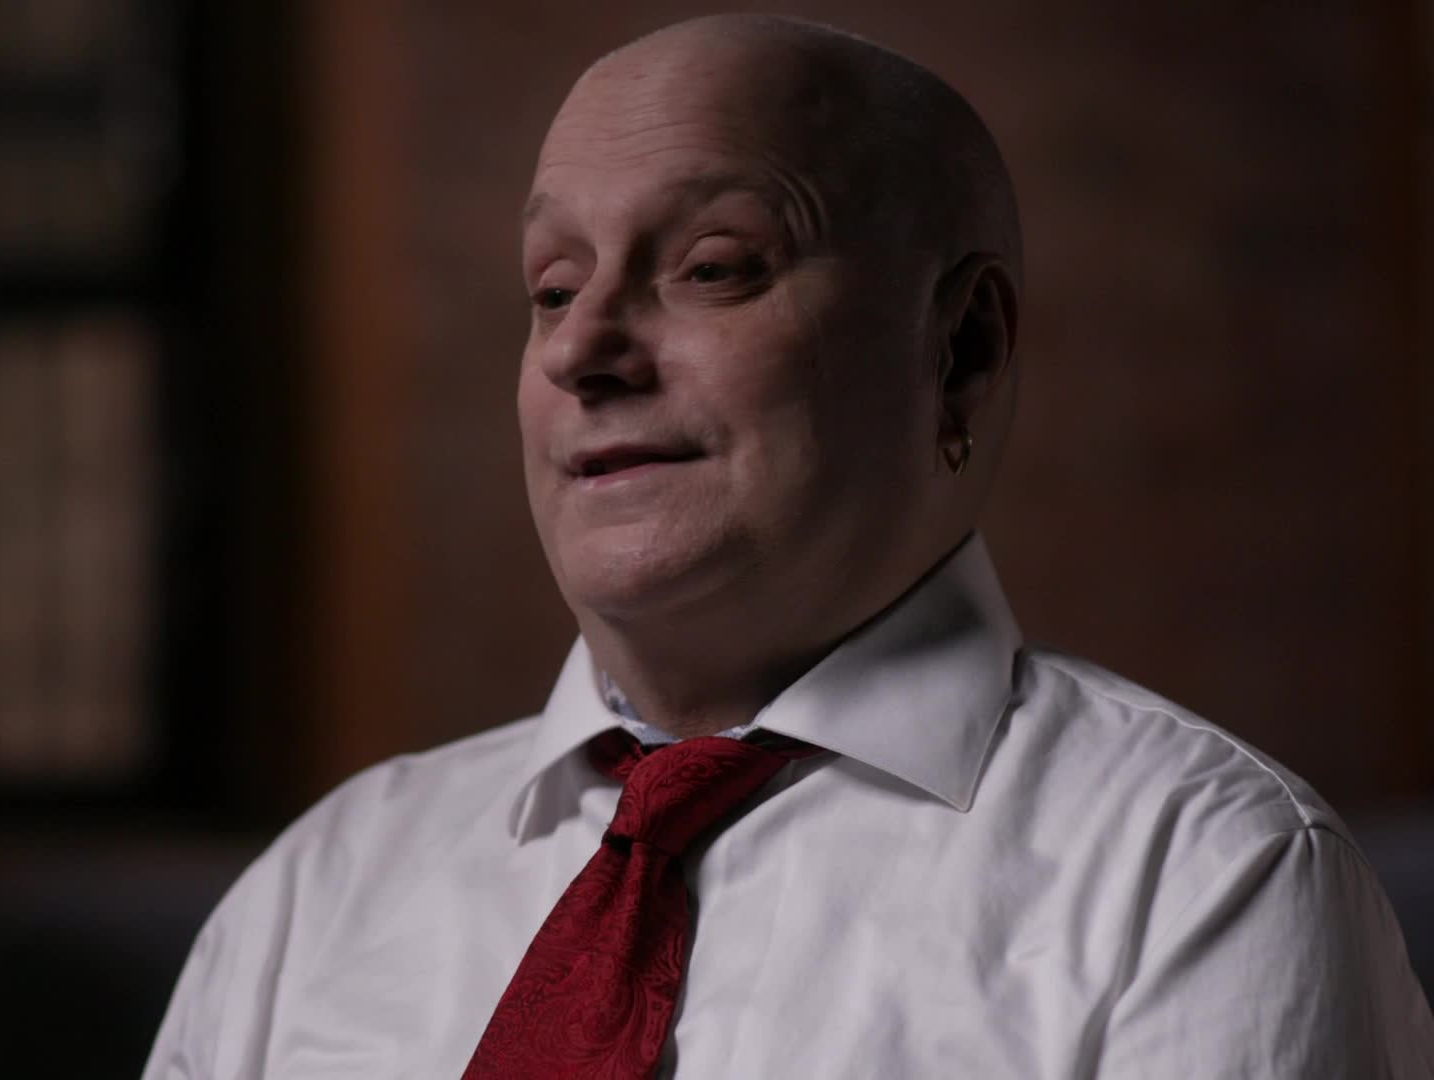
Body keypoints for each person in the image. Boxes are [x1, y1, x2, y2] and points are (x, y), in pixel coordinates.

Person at [144, 15, 1433, 1078]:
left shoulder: (1203, 881)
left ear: (961, 352)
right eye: (553, 287)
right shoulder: (314, 898)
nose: (581, 348)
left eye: (713, 268)